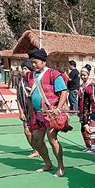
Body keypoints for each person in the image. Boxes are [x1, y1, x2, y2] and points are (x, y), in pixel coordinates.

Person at [27, 48, 69, 177]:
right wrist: (29, 113)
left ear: (44, 62)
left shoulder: (53, 74)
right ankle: (48, 163)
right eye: (32, 62)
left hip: (51, 114)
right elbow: (28, 95)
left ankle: (61, 166)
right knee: (37, 140)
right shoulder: (29, 76)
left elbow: (64, 91)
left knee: (52, 139)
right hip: (36, 114)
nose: (33, 65)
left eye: (36, 62)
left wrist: (58, 108)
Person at [16, 59, 39, 158]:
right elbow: (18, 98)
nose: (23, 71)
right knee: (27, 132)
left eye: (25, 69)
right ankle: (36, 150)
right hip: (26, 112)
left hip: (36, 111)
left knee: (37, 133)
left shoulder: (35, 81)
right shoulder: (20, 82)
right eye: (22, 69)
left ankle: (41, 151)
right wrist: (21, 112)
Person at [78, 64, 92, 151]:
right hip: (81, 110)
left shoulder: (91, 86)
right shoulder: (81, 86)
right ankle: (88, 146)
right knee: (82, 128)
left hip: (89, 110)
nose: (83, 77)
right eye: (81, 75)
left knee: (88, 128)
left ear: (88, 75)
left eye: (84, 75)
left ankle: (92, 146)